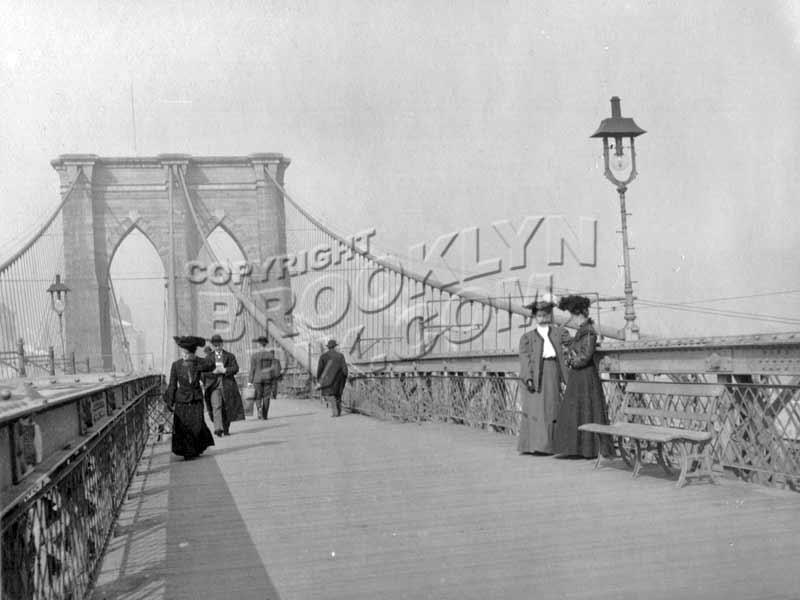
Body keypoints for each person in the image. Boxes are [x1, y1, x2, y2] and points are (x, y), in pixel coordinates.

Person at [553, 295, 612, 458]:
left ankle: (585, 449)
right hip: (581, 376)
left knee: (582, 409)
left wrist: (570, 360)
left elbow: (584, 356)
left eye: (572, 315)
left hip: (584, 376)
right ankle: (581, 449)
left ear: (578, 314)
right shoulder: (584, 331)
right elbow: (579, 350)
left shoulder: (588, 332)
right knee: (581, 409)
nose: (571, 318)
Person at [517, 293, 570, 455]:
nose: (542, 317)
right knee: (536, 411)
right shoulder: (527, 337)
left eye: (546, 314)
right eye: (539, 315)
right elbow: (525, 360)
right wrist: (528, 378)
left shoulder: (560, 333)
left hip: (553, 371)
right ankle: (536, 446)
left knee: (552, 408)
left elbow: (570, 346)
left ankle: (551, 445)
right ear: (534, 317)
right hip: (535, 375)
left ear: (550, 315)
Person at [163, 335, 216, 460]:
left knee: (197, 425)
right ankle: (188, 452)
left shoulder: (198, 363)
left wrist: (196, 359)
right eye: (183, 353)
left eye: (187, 353)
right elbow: (172, 384)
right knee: (183, 427)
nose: (184, 355)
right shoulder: (176, 365)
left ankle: (195, 449)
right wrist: (169, 401)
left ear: (192, 354)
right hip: (182, 400)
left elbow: (211, 364)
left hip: (196, 399)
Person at [202, 334, 245, 436]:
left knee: (227, 406)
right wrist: (213, 372)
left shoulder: (230, 356)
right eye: (215, 346)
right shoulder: (208, 358)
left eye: (219, 345)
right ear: (213, 346)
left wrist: (225, 370)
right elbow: (203, 372)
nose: (217, 347)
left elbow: (235, 368)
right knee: (216, 406)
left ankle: (226, 428)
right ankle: (218, 429)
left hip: (227, 384)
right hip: (214, 385)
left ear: (222, 344)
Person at [248, 336, 282, 420]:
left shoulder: (254, 356)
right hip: (268, 378)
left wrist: (249, 381)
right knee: (266, 397)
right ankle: (264, 414)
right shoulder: (271, 355)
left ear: (259, 344)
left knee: (258, 396)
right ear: (266, 344)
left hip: (257, 379)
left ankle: (259, 408)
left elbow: (252, 369)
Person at [316, 339, 348, 417]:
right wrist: (345, 376)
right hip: (339, 378)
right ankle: (338, 411)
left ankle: (335, 412)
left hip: (327, 379)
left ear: (328, 347)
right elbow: (344, 368)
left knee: (330, 394)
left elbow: (320, 369)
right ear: (335, 346)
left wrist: (319, 379)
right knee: (338, 394)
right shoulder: (340, 355)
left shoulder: (323, 356)